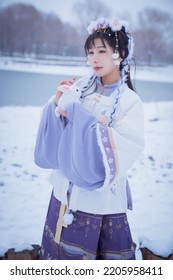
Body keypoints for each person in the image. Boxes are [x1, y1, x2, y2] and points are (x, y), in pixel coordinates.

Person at [34, 17, 144, 260]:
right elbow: (62, 124)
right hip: (63, 193)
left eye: (102, 51)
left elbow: (127, 146)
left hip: (98, 201)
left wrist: (79, 116)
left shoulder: (130, 102)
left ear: (121, 53)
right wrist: (58, 103)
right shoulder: (82, 85)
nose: (93, 58)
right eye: (90, 51)